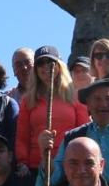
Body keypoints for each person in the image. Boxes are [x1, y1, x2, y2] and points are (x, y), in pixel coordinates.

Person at [14, 45, 88, 178]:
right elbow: (22, 136)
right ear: (35, 70)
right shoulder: (28, 100)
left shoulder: (75, 97)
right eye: (41, 63)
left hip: (69, 164)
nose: (46, 67)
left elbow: (84, 131)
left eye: (51, 62)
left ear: (60, 66)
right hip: (36, 166)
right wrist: (22, 162)